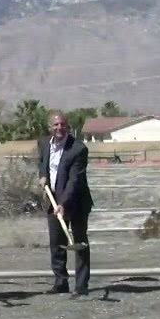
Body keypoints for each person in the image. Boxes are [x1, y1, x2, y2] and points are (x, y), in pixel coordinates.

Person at [37, 111, 93, 298]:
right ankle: (61, 282)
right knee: (57, 243)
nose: (59, 128)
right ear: (50, 127)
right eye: (55, 125)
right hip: (53, 199)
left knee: (79, 243)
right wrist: (42, 176)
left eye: (62, 124)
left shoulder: (78, 149)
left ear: (67, 126)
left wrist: (63, 203)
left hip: (76, 202)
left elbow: (74, 180)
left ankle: (81, 286)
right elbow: (43, 163)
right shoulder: (44, 143)